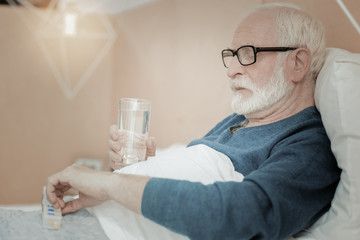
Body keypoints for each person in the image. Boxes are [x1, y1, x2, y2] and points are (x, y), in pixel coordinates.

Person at [46, 3, 341, 240]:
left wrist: (110, 182)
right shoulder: (237, 121)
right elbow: (195, 180)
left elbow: (241, 214)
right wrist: (139, 168)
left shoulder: (309, 145)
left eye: (248, 54)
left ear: (298, 63)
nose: (231, 70)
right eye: (232, 55)